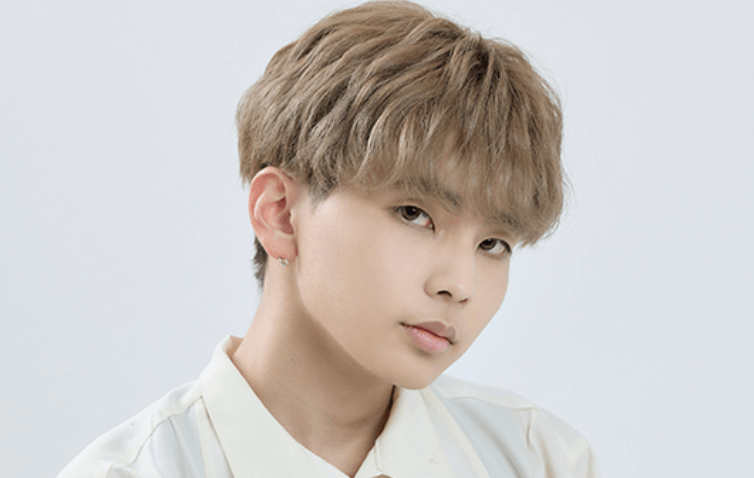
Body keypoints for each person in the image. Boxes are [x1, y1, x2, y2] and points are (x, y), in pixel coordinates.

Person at [58, 1, 600, 477]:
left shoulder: (539, 460)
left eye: (493, 245)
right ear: (280, 215)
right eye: (415, 214)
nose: (460, 285)